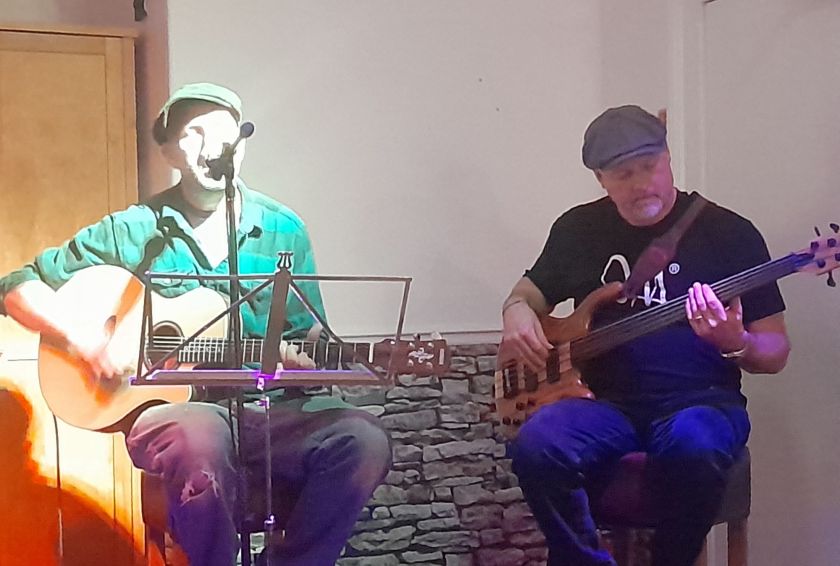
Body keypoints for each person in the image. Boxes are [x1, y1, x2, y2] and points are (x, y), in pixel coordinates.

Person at [0, 82, 391, 566]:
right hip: (177, 411)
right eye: (194, 133)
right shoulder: (133, 230)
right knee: (199, 437)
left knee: (363, 440)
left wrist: (309, 358)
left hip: (270, 410)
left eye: (225, 133)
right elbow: (15, 286)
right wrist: (81, 338)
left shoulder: (282, 228)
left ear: (242, 146)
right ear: (168, 151)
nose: (213, 146)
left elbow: (305, 331)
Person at [501, 105, 790, 566]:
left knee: (696, 445)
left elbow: (775, 351)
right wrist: (515, 311)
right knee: (537, 444)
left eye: (650, 166)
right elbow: (528, 293)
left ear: (668, 156)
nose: (641, 184)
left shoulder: (730, 233)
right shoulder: (577, 229)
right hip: (601, 403)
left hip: (701, 402)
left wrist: (736, 341)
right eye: (623, 174)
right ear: (600, 178)